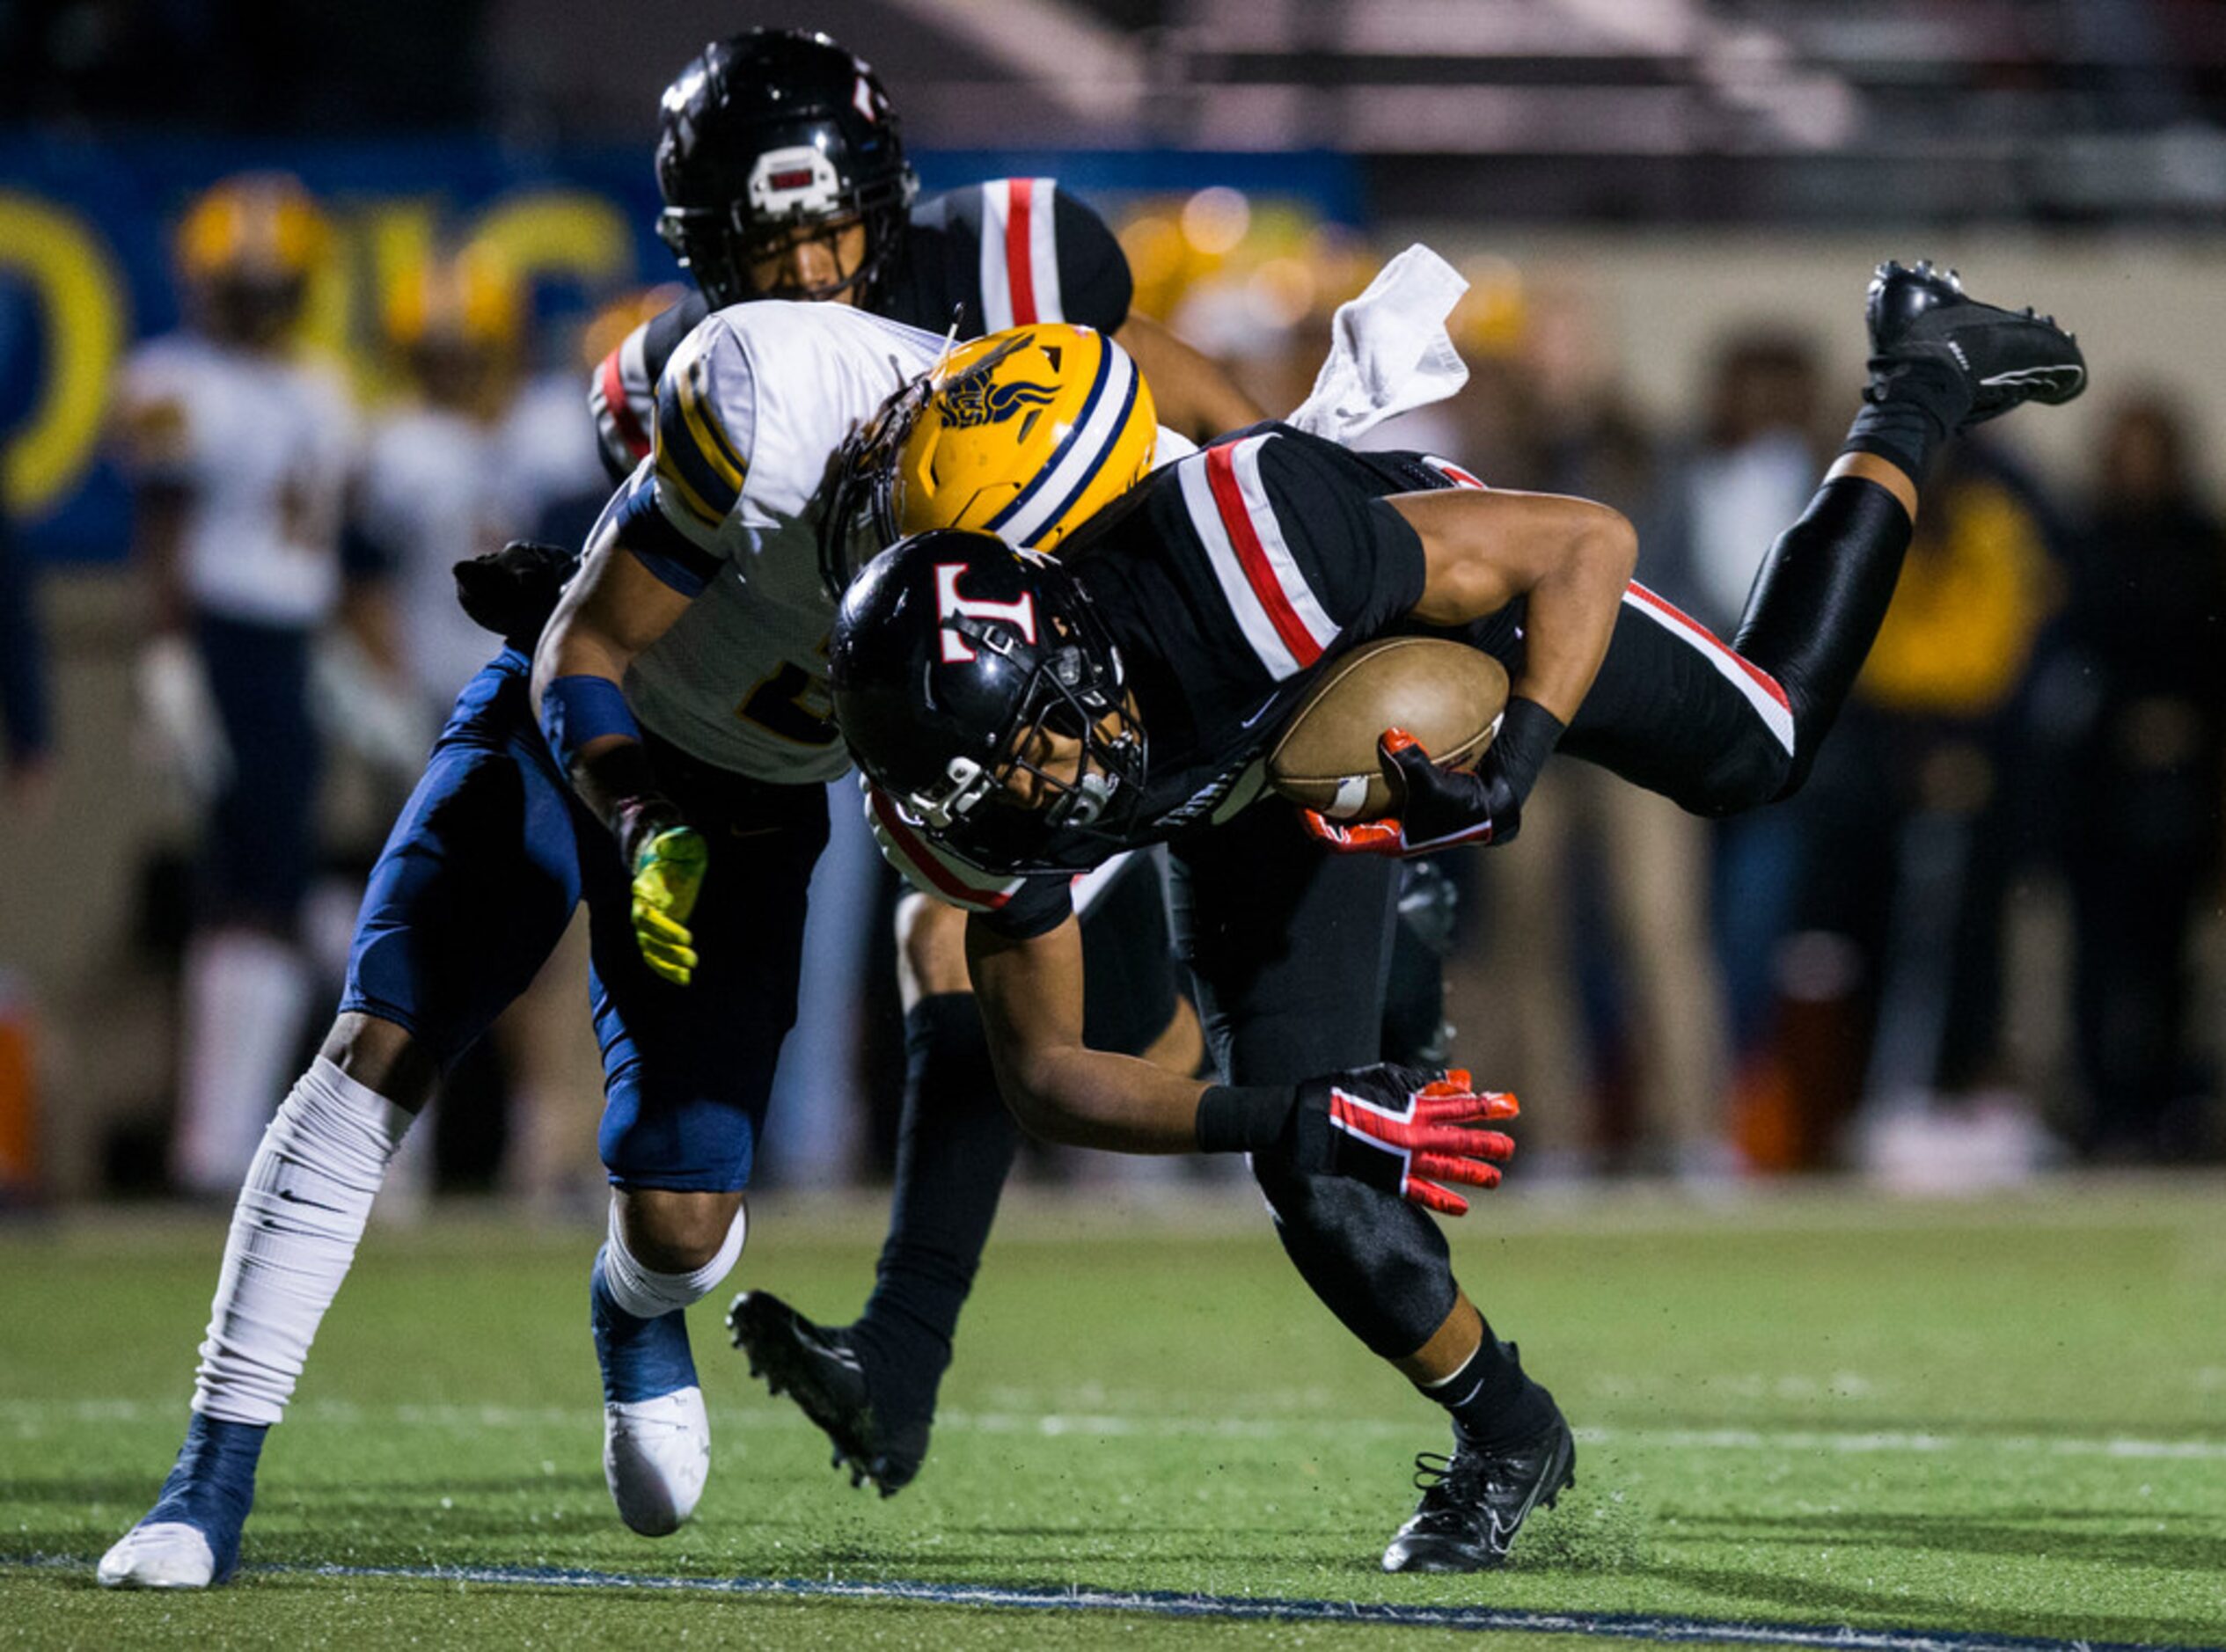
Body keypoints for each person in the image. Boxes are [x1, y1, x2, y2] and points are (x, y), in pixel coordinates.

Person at [94, 26, 1269, 1592]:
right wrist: (636, 801)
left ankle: (635, 1304)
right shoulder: (750, 379)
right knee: (384, 1035)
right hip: (586, 725)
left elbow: (1216, 445)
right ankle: (205, 1478)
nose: (802, 266)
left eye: (828, 230)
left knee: (685, 1218)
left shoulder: (1047, 370)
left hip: (768, 792)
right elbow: (588, 645)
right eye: (764, 243)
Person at [820, 264, 2085, 1570]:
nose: (1039, 788)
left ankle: (1913, 384)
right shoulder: (956, 799)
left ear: (1066, 632)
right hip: (1245, 788)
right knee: (1313, 1172)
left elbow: (1585, 541)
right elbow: (1047, 1075)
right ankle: (1506, 1431)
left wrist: (1510, 768)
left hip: (1422, 615)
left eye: (1034, 742)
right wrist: (1294, 1111)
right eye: (997, 781)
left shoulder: (1247, 551)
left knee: (1759, 746)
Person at [112, 173, 365, 1198]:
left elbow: (329, 548)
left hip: (294, 640)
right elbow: (165, 537)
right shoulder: (177, 379)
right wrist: (168, 658)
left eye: (271, 287)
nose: (255, 305)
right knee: (248, 890)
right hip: (222, 638)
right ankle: (216, 1148)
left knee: (280, 883)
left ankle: (231, 1140)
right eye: (239, 286)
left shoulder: (324, 387)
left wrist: (342, 657)